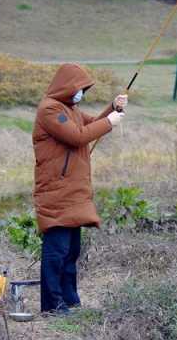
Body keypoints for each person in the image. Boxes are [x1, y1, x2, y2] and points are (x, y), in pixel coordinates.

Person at [32, 63, 127, 315]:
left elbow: (91, 125)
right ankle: (52, 306)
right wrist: (110, 122)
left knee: (71, 250)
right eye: (79, 88)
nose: (81, 94)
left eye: (84, 89)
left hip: (73, 192)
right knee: (57, 250)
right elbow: (77, 136)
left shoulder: (70, 109)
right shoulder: (50, 109)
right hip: (56, 191)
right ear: (66, 86)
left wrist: (112, 108)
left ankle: (70, 300)